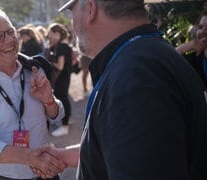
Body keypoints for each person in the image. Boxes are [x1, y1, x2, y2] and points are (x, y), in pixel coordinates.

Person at [36, 0, 207, 179]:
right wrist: (68, 155)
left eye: (72, 12)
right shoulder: (145, 57)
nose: (72, 24)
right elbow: (135, 147)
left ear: (91, 9)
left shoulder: (136, 75)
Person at [0, 6, 66, 180]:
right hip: (4, 175)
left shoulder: (33, 70)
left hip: (47, 172)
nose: (9, 40)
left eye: (11, 32)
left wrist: (48, 101)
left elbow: (57, 115)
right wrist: (28, 158)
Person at [46, 23, 73, 137]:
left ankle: (65, 126)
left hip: (61, 77)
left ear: (57, 33)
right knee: (63, 97)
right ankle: (65, 122)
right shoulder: (63, 45)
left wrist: (50, 60)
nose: (49, 37)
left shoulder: (61, 46)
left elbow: (60, 66)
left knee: (62, 97)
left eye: (51, 34)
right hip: (64, 76)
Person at [175, 11, 207, 88]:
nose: (203, 31)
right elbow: (163, 65)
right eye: (200, 27)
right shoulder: (192, 62)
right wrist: (187, 46)